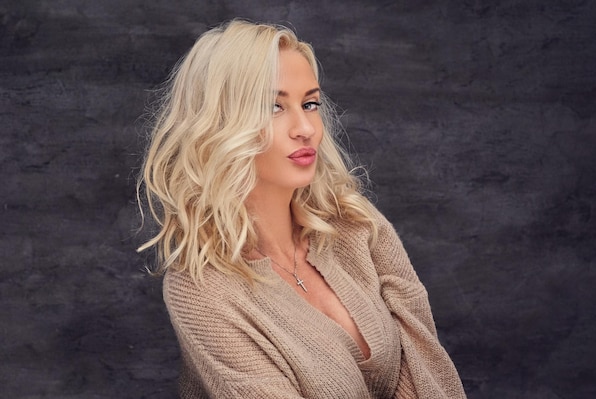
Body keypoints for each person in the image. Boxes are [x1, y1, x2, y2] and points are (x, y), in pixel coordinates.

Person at [137, 19, 466, 398]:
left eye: (310, 104)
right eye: (274, 107)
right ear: (219, 124)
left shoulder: (356, 224)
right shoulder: (201, 290)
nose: (305, 127)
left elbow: (427, 366)